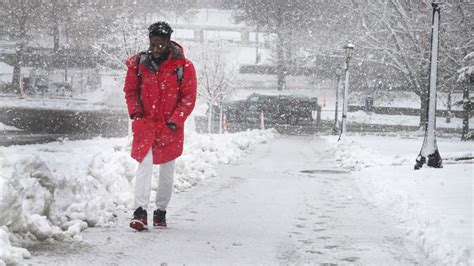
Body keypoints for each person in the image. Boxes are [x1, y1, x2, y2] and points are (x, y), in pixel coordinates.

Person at [123, 21, 197, 231]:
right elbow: (130, 91)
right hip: (146, 123)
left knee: (167, 170)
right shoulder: (138, 63)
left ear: (168, 41)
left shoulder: (183, 67)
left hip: (170, 125)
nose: (155, 49)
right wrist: (136, 113)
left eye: (160, 45)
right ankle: (139, 212)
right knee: (144, 165)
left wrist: (174, 121)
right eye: (152, 44)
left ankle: (161, 211)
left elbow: (188, 97)